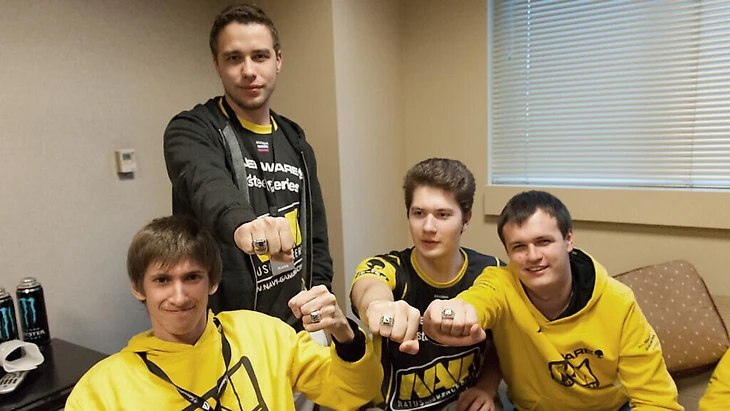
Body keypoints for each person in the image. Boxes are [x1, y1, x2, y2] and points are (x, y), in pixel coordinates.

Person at [65, 216, 381, 410]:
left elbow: (354, 391)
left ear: (213, 282)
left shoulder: (264, 335)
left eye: (192, 277)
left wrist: (345, 336)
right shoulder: (103, 390)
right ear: (138, 288)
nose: (179, 296)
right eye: (162, 280)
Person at [422, 190, 683, 411]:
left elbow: (657, 401)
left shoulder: (618, 302)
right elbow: (475, 302)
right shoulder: (500, 284)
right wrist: (449, 312)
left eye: (543, 241)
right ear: (508, 252)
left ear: (568, 239)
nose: (533, 256)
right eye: (519, 247)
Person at [163, 3, 333, 331]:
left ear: (278, 60)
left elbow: (316, 236)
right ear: (217, 64)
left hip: (295, 329)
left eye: (259, 56)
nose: (248, 70)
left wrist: (320, 296)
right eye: (233, 58)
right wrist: (243, 224)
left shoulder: (295, 139)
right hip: (223, 332)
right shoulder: (193, 130)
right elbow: (207, 184)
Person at [350, 158, 504, 411]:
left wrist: (486, 389)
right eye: (419, 213)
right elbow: (368, 286)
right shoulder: (388, 267)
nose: (428, 227)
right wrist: (378, 306)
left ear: (466, 219)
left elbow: (503, 345)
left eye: (443, 215)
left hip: (460, 403)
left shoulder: (492, 272)